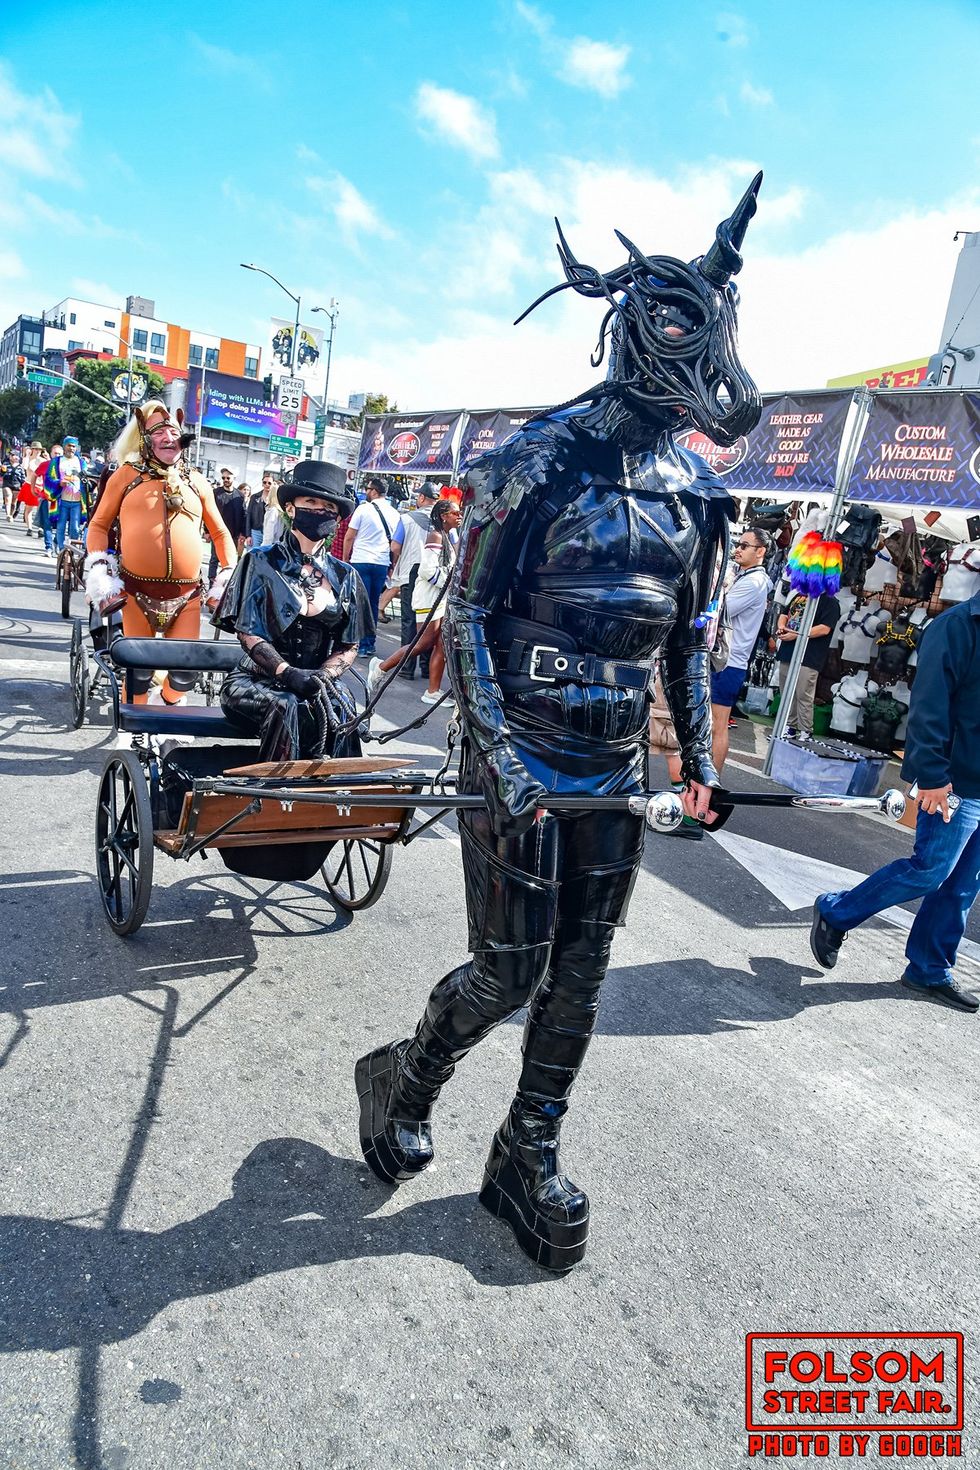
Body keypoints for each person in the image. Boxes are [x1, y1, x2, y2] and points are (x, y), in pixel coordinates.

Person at [355, 174, 764, 1271]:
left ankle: (523, 1151)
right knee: (507, 969)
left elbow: (685, 640)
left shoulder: (695, 497)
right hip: (519, 752)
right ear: (631, 333)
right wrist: (497, 752)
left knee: (580, 972)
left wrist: (695, 763)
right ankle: (407, 1074)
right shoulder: (529, 464)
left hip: (612, 760)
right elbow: (470, 610)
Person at [810, 592, 980, 1013]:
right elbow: (929, 706)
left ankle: (928, 967)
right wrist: (934, 775)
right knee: (930, 871)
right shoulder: (957, 625)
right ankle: (837, 911)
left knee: (962, 886)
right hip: (955, 780)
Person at [214, 461, 371, 761]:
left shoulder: (346, 575)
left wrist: (325, 674)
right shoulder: (260, 561)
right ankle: (277, 799)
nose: (320, 511)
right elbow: (247, 633)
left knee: (343, 705)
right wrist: (287, 673)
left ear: (337, 518)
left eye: (329, 507)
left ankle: (342, 798)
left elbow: (349, 645)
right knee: (286, 705)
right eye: (310, 502)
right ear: (290, 508)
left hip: (316, 683)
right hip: (255, 681)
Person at [84, 401, 237, 705]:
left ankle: (164, 711)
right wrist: (101, 568)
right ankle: (135, 735)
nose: (168, 436)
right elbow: (99, 524)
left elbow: (220, 533)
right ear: (143, 437)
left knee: (184, 675)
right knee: (138, 672)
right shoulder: (125, 476)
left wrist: (227, 572)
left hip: (187, 595)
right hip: (136, 593)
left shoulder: (197, 481)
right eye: (159, 431)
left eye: (173, 430)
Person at [368, 499, 462, 703]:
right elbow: (427, 570)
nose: (459, 516)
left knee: (441, 644)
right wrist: (449, 583)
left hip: (439, 599)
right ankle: (380, 668)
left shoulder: (444, 536)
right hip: (430, 598)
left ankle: (432, 691)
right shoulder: (436, 536)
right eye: (455, 513)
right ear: (444, 516)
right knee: (423, 643)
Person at [711, 526, 773, 772]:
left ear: (761, 551)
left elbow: (721, 610)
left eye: (744, 546)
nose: (737, 549)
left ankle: (710, 784)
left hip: (729, 661)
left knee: (718, 725)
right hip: (723, 658)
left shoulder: (755, 582)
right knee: (711, 724)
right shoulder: (745, 576)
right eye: (738, 544)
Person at [343, 475, 400, 655]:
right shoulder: (394, 513)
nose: (366, 492)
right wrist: (393, 565)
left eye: (368, 489)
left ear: (374, 491)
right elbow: (397, 544)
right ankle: (369, 643)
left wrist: (345, 559)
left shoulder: (363, 509)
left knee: (359, 603)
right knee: (373, 604)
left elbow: (350, 536)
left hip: (361, 560)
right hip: (381, 562)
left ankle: (358, 643)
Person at [774, 583, 840, 737]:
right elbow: (784, 613)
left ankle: (805, 731)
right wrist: (782, 626)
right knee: (786, 691)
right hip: (788, 650)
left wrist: (797, 634)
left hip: (809, 656)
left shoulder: (830, 602)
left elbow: (825, 628)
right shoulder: (800, 596)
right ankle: (789, 727)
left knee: (803, 694)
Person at [389, 483, 438, 680]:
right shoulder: (443, 520)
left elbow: (395, 546)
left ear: (421, 498)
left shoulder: (406, 519)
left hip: (411, 575)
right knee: (429, 622)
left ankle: (407, 667)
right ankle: (427, 668)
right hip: (434, 580)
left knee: (409, 621)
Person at [54, 435, 85, 551]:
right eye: (69, 445)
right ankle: (61, 549)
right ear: (64, 446)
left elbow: (86, 478)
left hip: (77, 501)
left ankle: (72, 549)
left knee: (75, 528)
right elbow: (49, 478)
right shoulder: (57, 461)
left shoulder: (81, 462)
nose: (71, 448)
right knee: (61, 526)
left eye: (73, 446)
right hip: (62, 499)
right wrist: (59, 483)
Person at [33, 442, 64, 558]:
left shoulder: (65, 466)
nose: (57, 455)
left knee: (60, 524)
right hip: (47, 499)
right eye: (55, 453)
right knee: (47, 525)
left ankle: (56, 542)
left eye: (59, 454)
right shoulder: (45, 464)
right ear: (51, 454)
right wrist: (33, 489)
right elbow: (34, 475)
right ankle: (48, 547)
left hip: (61, 500)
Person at [2, 449, 24, 522]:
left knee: (14, 502)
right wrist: (2, 471)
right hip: (7, 483)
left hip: (17, 485)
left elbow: (23, 477)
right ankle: (8, 514)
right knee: (8, 497)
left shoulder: (20, 467)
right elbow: (1, 475)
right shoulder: (5, 464)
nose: (13, 457)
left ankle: (11, 515)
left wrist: (23, 486)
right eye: (11, 455)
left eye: (15, 455)